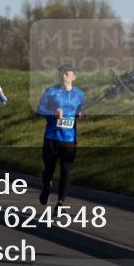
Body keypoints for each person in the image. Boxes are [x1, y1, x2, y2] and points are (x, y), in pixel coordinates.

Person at [37, 64, 86, 207]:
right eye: (61, 74)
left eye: (66, 74)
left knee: (66, 170)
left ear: (74, 77)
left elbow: (81, 109)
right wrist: (53, 113)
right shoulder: (51, 91)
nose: (63, 76)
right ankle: (46, 187)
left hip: (69, 139)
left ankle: (60, 202)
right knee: (49, 169)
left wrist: (81, 114)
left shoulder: (79, 94)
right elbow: (40, 109)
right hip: (51, 137)